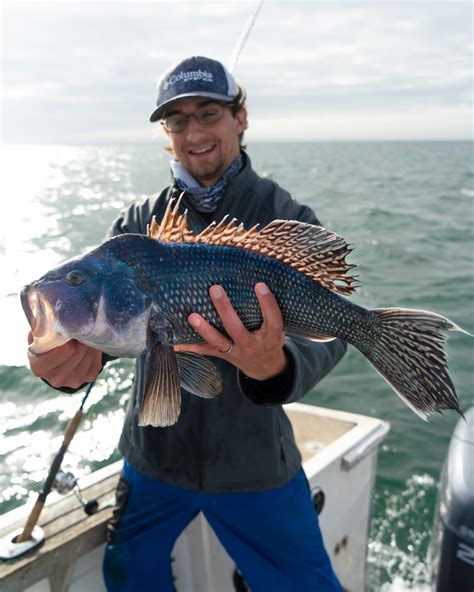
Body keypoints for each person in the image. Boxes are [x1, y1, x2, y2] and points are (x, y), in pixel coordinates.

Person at [26, 56, 347, 592]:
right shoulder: (134, 228)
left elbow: (332, 320)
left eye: (208, 114)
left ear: (240, 118)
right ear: (166, 134)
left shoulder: (285, 215)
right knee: (127, 576)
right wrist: (61, 367)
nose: (194, 133)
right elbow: (102, 340)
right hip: (154, 458)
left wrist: (278, 364)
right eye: (178, 121)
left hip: (254, 461)